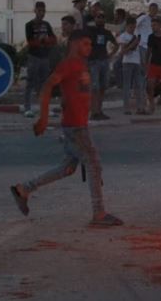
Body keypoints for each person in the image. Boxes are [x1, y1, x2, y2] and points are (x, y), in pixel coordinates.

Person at [9, 30, 123, 227]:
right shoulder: (69, 64)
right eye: (86, 44)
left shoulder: (80, 64)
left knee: (67, 168)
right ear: (74, 44)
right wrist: (43, 119)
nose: (89, 48)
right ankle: (99, 213)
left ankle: (23, 189)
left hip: (77, 125)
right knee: (94, 164)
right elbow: (47, 87)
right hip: (76, 127)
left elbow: (72, 92)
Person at [23, 1, 57, 118]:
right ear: (35, 11)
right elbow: (31, 42)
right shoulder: (29, 25)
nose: (41, 13)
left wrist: (46, 41)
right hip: (33, 57)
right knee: (30, 82)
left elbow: (53, 39)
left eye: (43, 11)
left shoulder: (46, 25)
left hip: (45, 57)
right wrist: (42, 41)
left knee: (44, 83)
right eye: (39, 10)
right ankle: (27, 108)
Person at [87, 13, 118, 120]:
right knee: (94, 87)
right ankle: (93, 112)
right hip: (93, 62)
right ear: (95, 19)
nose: (100, 19)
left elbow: (116, 44)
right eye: (98, 17)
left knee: (103, 87)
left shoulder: (107, 32)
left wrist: (110, 55)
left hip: (103, 61)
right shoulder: (90, 31)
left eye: (102, 17)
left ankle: (99, 110)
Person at [116, 17, 145, 115]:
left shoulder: (136, 36)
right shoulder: (123, 36)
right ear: (128, 26)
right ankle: (126, 108)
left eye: (134, 26)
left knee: (139, 85)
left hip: (137, 62)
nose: (133, 28)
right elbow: (123, 51)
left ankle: (140, 108)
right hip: (127, 62)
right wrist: (133, 44)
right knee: (127, 86)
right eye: (131, 26)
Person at [135, 3, 158, 78]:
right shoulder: (143, 17)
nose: (154, 11)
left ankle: (146, 82)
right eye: (152, 9)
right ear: (149, 9)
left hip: (151, 46)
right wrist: (137, 38)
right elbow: (134, 25)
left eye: (155, 9)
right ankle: (142, 82)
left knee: (149, 64)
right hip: (142, 45)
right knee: (143, 65)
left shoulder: (155, 21)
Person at [112, 8, 128, 90]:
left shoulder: (124, 25)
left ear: (120, 15)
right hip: (121, 49)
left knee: (117, 65)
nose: (114, 16)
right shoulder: (119, 25)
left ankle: (121, 84)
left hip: (124, 49)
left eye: (116, 14)